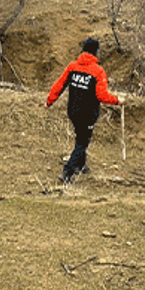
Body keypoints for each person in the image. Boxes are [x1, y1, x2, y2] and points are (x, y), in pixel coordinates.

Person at [45, 37, 121, 182]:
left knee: (80, 136)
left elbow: (59, 86)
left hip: (73, 111)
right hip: (88, 113)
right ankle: (67, 172)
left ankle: (81, 165)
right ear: (96, 51)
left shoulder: (72, 67)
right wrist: (117, 101)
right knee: (83, 142)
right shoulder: (98, 71)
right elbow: (102, 95)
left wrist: (49, 101)